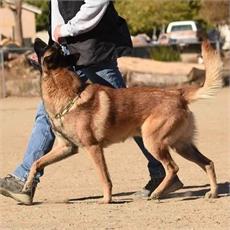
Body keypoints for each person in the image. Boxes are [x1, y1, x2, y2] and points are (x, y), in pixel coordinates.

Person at [0, 0, 183, 205]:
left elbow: (98, 2)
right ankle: (24, 179)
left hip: (93, 51)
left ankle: (162, 172)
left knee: (132, 110)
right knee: (47, 114)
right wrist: (51, 50)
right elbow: (58, 12)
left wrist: (67, 29)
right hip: (64, 55)